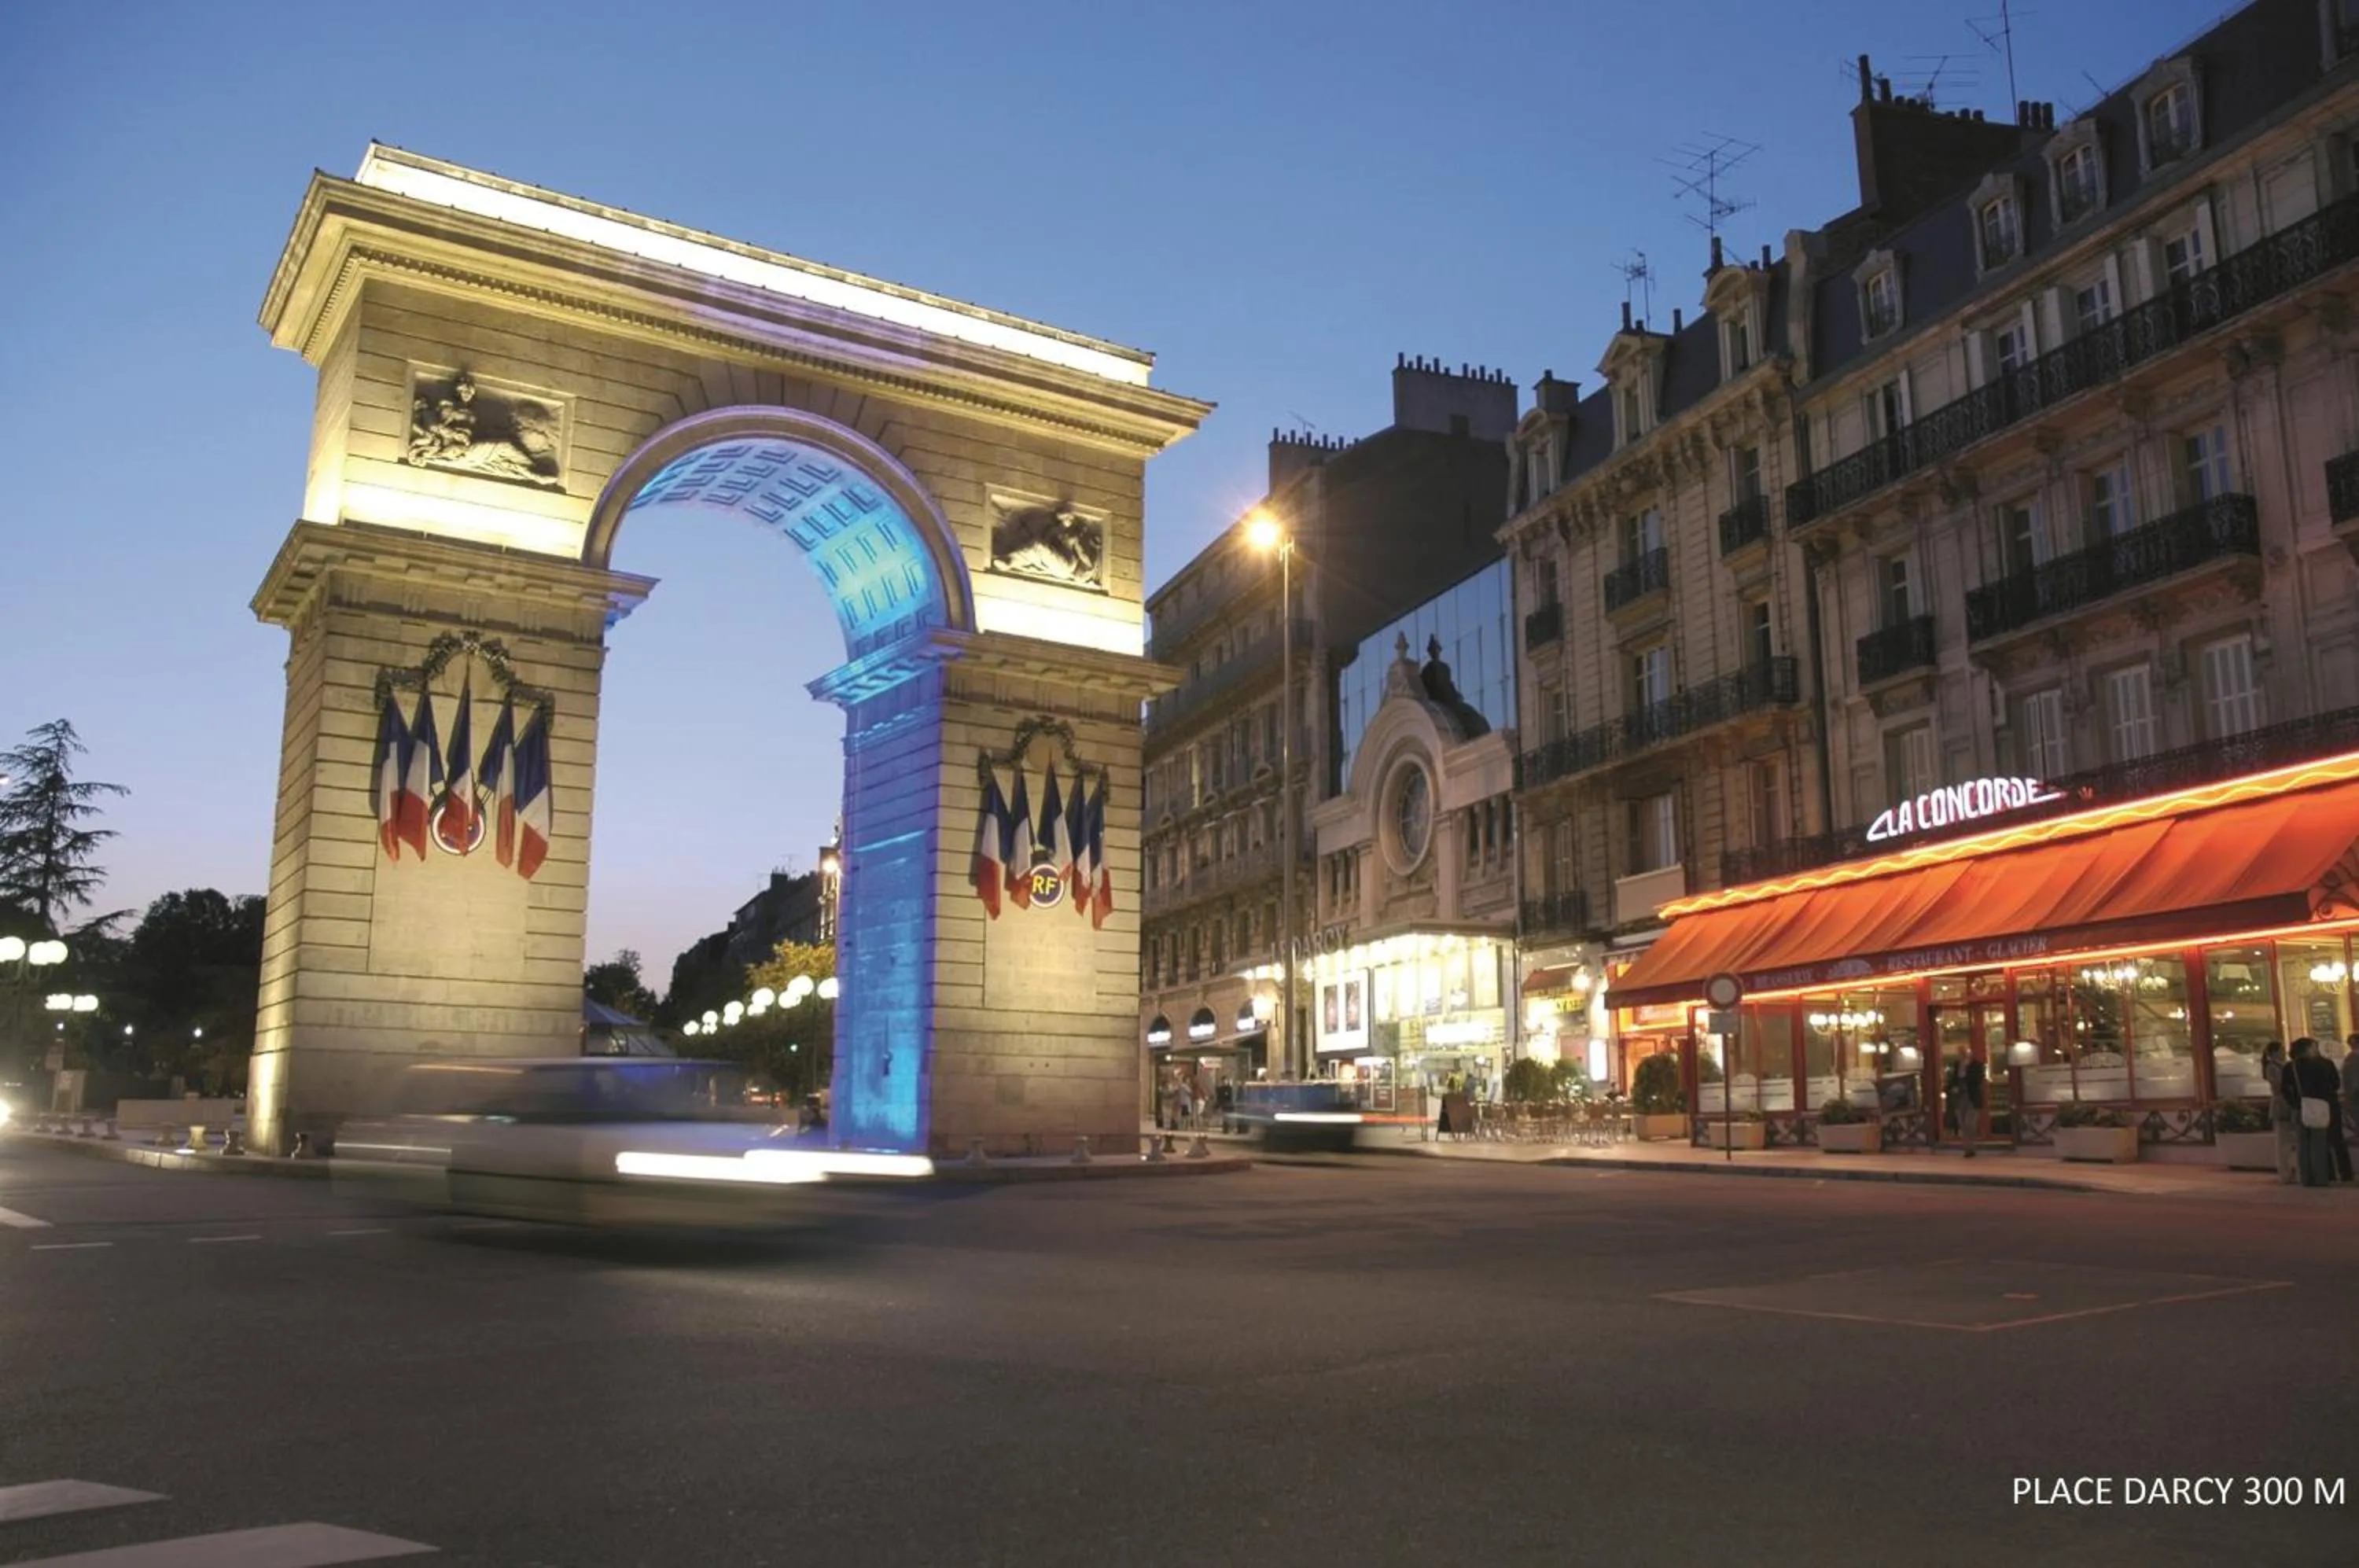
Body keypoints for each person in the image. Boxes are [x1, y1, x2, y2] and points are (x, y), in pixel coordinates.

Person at [2287, 1037, 2341, 1188]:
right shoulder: (2321, 1065)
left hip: (2299, 1108)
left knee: (2303, 1144)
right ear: (2308, 1049)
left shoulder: (2290, 1067)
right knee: (2319, 1143)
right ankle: (2321, 1178)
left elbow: (2285, 1089)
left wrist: (2296, 1103)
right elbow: (2334, 1084)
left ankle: (2306, 1178)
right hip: (2319, 1107)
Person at [2262, 1042, 2298, 1185]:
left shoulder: (2283, 1065)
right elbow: (2278, 1085)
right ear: (2275, 1052)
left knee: (2291, 1141)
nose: (2284, 1052)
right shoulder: (2272, 1067)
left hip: (2288, 1103)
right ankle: (2285, 1172)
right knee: (2283, 1142)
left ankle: (2292, 1170)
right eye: (2282, 1049)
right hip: (2282, 1104)